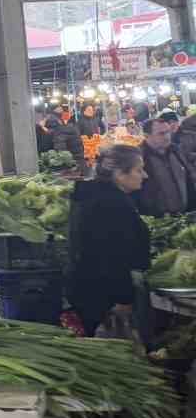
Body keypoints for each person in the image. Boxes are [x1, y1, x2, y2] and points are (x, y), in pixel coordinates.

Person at [68, 144, 151, 337]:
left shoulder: (91, 195)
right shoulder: (112, 205)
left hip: (87, 288)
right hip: (104, 296)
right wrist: (124, 299)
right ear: (120, 174)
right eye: (139, 170)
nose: (145, 175)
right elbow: (112, 256)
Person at [137, 117, 191, 216]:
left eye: (168, 132)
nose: (167, 137)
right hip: (158, 222)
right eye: (161, 134)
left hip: (184, 216)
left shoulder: (176, 151)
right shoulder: (139, 157)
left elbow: (188, 179)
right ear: (146, 136)